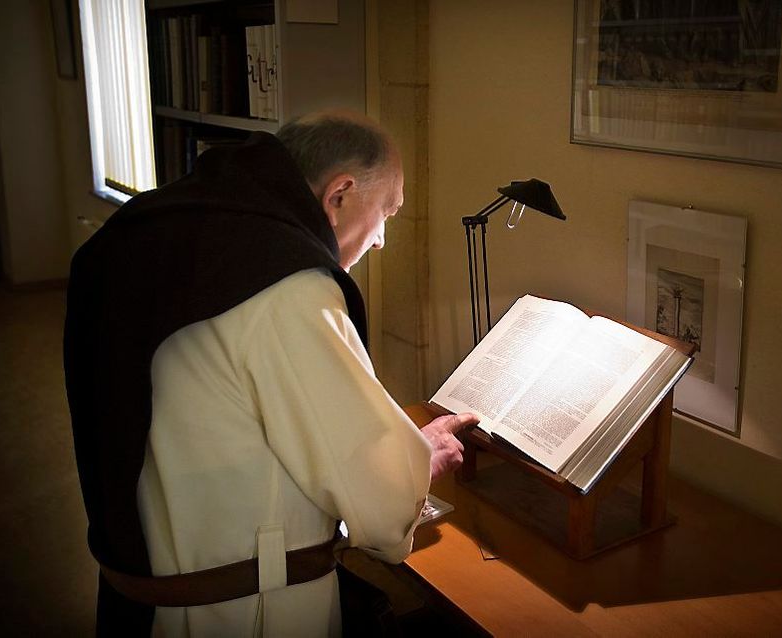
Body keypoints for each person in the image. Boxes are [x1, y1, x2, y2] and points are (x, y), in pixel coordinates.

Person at [63, 110, 477, 636]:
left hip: (141, 578)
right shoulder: (289, 288)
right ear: (341, 194)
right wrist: (418, 460)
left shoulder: (170, 220)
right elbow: (383, 506)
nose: (379, 241)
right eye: (387, 214)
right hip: (237, 605)